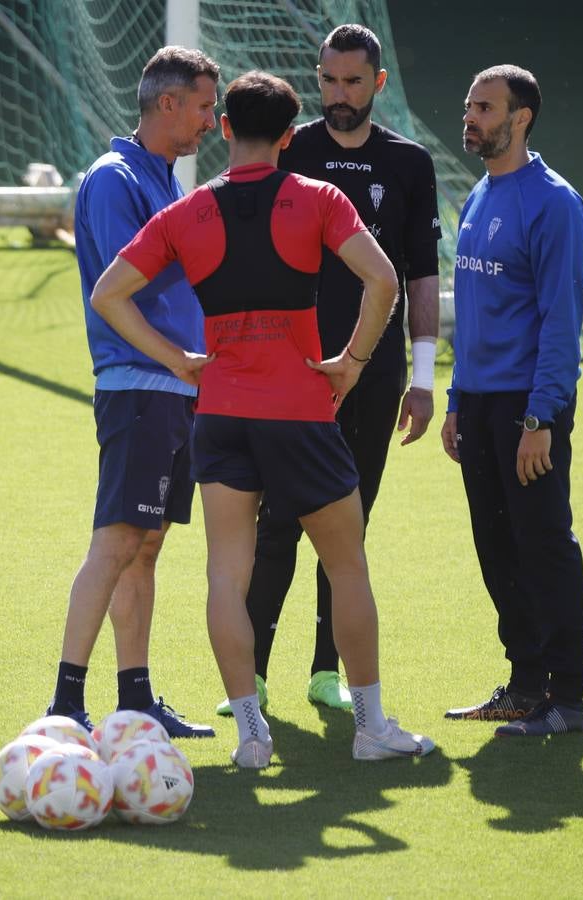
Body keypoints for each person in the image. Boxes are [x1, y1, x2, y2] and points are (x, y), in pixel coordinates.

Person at [89, 70, 436, 767]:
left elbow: (109, 294)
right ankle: (371, 730)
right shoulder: (317, 198)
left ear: (223, 130)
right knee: (347, 566)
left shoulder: (188, 213)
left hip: (219, 414)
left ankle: (251, 737)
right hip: (302, 413)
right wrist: (353, 361)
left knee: (227, 575)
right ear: (288, 136)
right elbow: (385, 280)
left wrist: (180, 358)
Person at [214, 24, 442, 718]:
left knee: (348, 525)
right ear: (316, 79)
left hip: (371, 376)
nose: (339, 95)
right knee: (277, 519)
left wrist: (424, 375)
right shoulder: (291, 148)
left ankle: (326, 672)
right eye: (328, 81)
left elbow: (421, 275)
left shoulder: (408, 163)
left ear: (378, 84)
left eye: (353, 82)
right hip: (294, 373)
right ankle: (249, 679)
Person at [43, 46, 221, 739]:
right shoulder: (116, 181)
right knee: (116, 543)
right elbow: (113, 296)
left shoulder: (162, 179)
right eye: (204, 106)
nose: (211, 120)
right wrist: (179, 359)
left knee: (145, 547)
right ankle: (64, 704)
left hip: (173, 390)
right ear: (168, 103)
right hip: (143, 386)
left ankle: (136, 698)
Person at [441, 64, 583, 736]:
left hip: (528, 409)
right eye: (469, 106)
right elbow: (471, 314)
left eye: (484, 107)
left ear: (520, 117)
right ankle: (525, 684)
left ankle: (567, 698)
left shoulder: (554, 203)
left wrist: (540, 418)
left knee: (543, 544)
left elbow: (560, 322)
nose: (470, 118)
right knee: (496, 546)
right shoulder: (479, 195)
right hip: (478, 406)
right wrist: (453, 400)